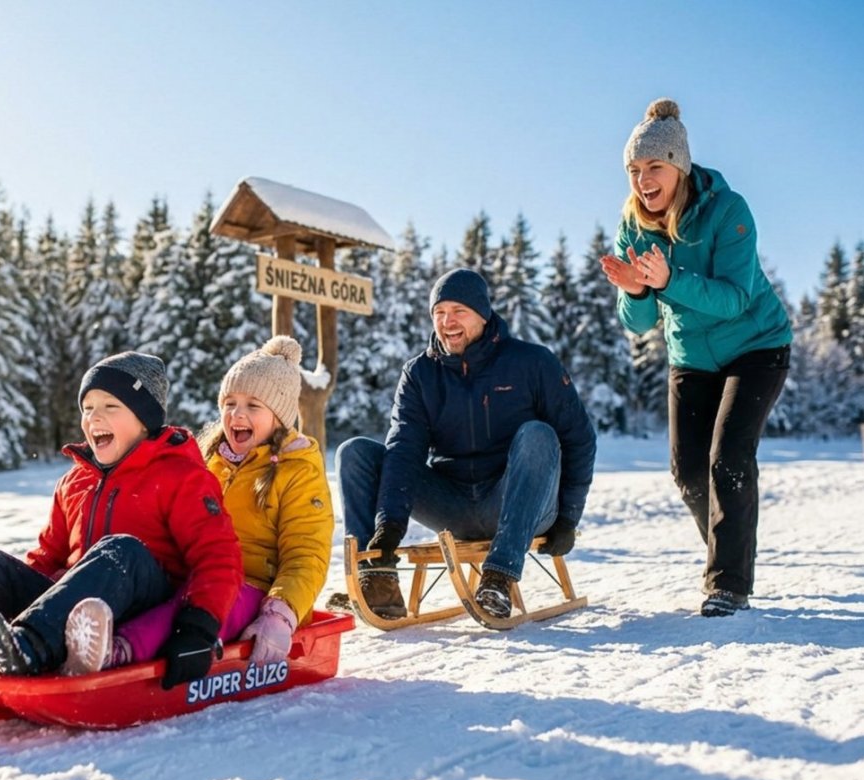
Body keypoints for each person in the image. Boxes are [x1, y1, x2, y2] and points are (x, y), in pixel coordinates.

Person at [0, 352, 243, 688]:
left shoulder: (181, 476)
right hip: (71, 610)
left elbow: (218, 556)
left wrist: (199, 628)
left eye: (110, 406)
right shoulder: (76, 481)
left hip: (138, 605)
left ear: (145, 420)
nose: (94, 418)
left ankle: (27, 647)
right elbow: (47, 559)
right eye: (87, 408)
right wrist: (13, 595)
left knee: (121, 550)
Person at [600, 98, 792, 617]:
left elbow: (734, 298)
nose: (643, 180)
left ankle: (728, 582)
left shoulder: (729, 211)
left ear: (679, 166)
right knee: (688, 471)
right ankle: (730, 545)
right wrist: (638, 293)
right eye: (635, 170)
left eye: (654, 167)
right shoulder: (634, 225)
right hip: (691, 355)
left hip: (757, 346)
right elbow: (638, 324)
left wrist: (668, 281)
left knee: (728, 458)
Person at [58, 336, 335, 675]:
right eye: (230, 402)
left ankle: (116, 652)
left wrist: (280, 614)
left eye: (253, 405)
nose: (236, 414)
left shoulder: (298, 470)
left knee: (185, 610)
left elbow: (306, 554)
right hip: (202, 579)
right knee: (171, 598)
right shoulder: (209, 461)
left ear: (279, 416)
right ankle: (82, 635)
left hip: (256, 591)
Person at [336, 268, 597, 620]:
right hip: (452, 504)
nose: (448, 322)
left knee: (538, 434)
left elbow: (578, 437)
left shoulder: (532, 362)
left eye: (459, 311)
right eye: (439, 313)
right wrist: (389, 526)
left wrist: (567, 517)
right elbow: (404, 449)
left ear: (483, 314)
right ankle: (377, 580)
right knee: (356, 453)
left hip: (519, 501)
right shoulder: (420, 374)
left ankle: (498, 578)